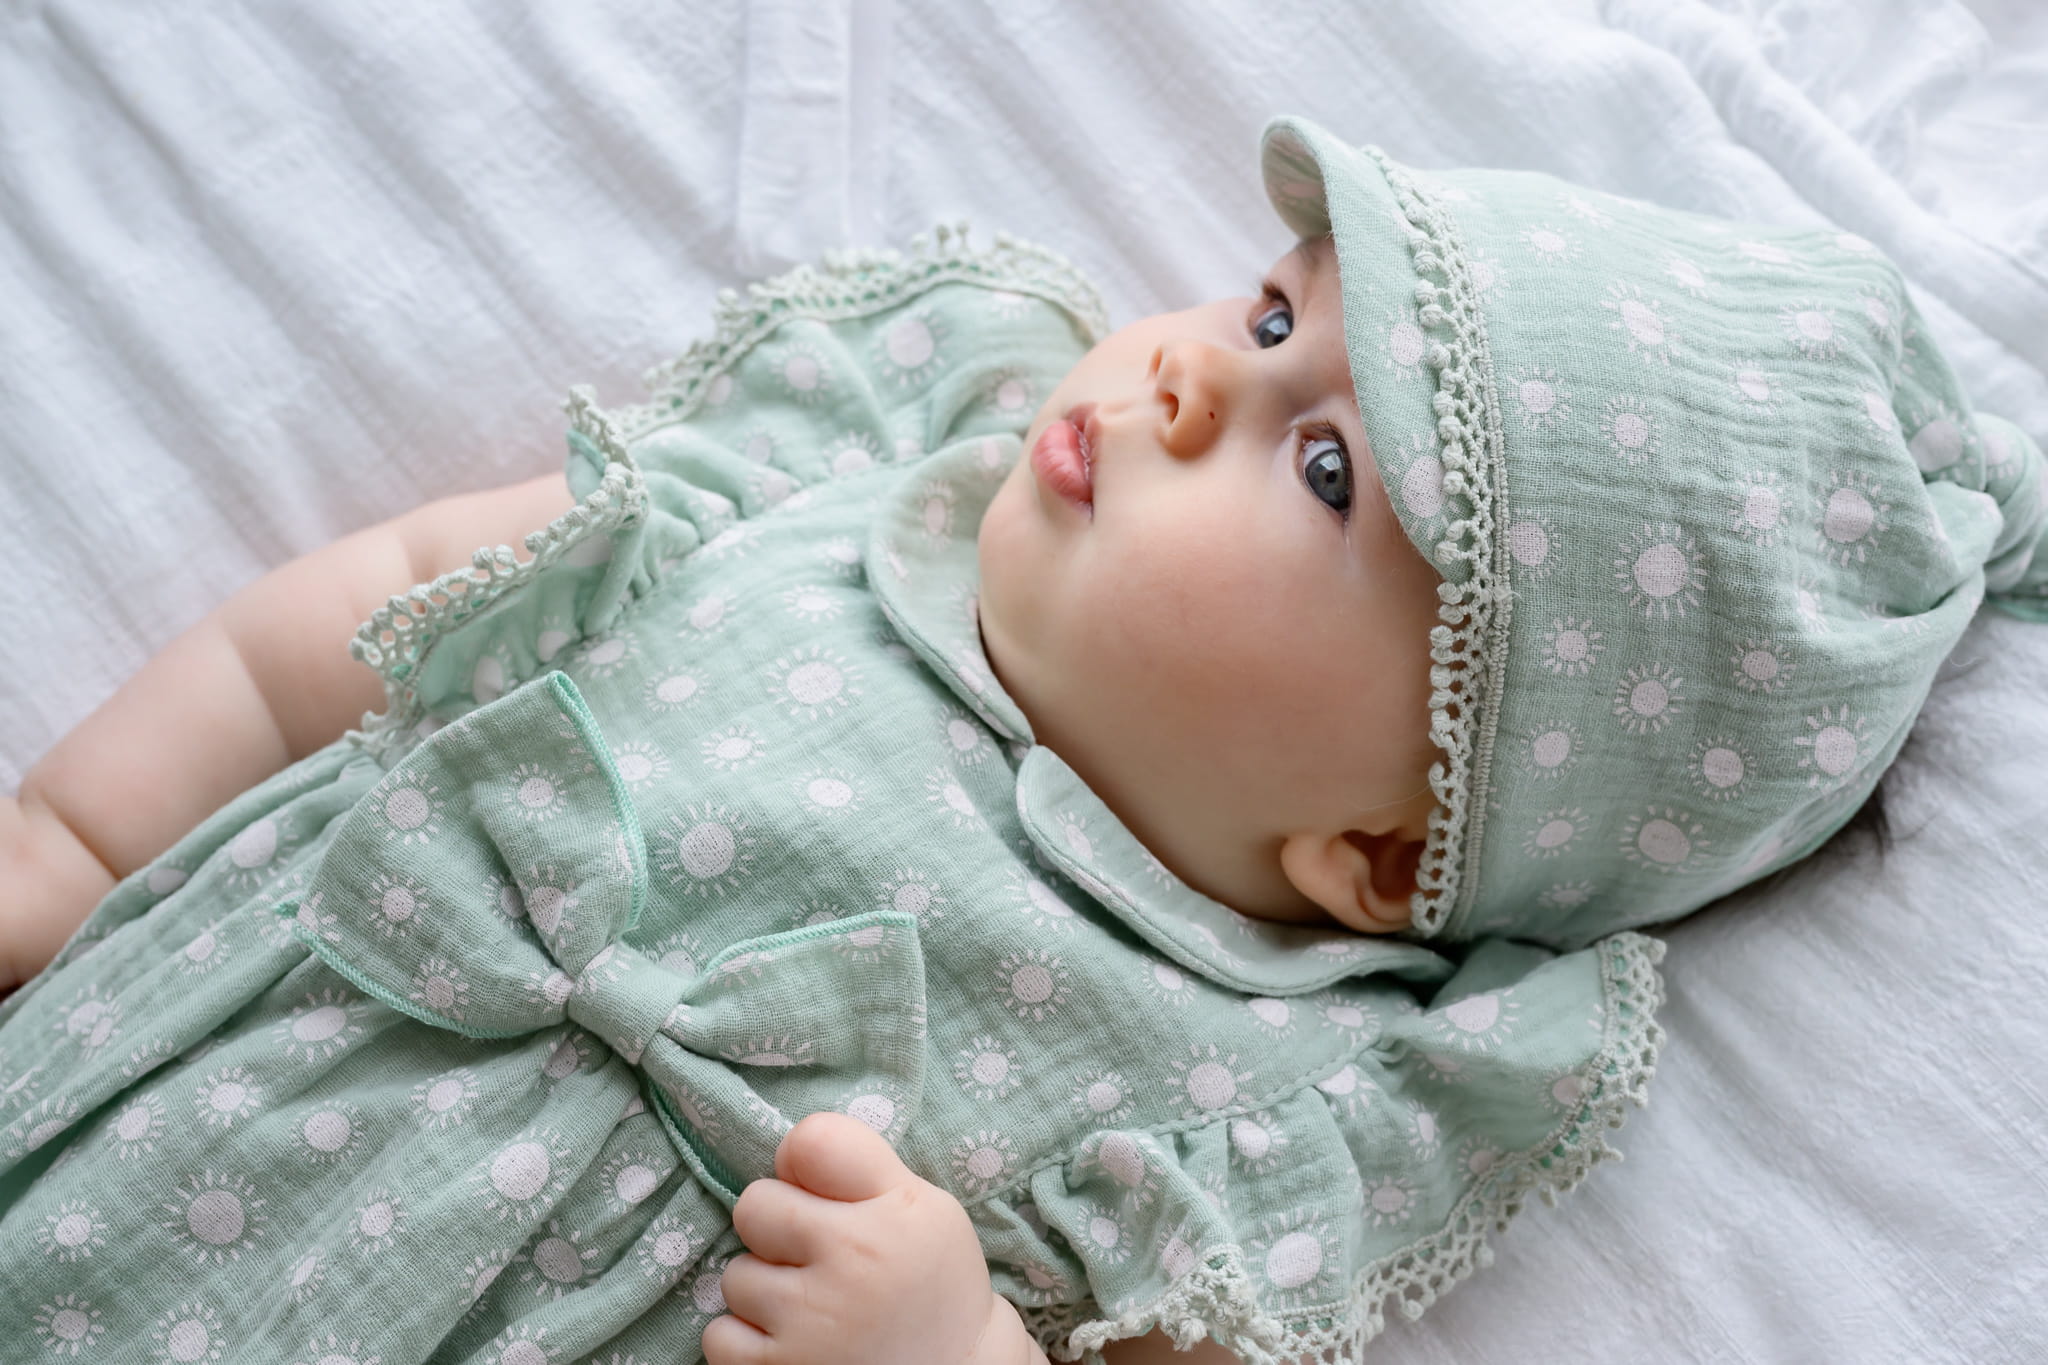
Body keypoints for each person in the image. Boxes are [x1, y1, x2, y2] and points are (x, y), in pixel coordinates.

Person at [0, 112, 2040, 1365]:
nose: (1187, 380)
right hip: (149, 1119)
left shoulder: (1266, 1083)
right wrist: (75, 837)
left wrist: (954, 1340)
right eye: (1267, 318)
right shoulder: (832, 480)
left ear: (1383, 853)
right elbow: (374, 619)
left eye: (1325, 466)